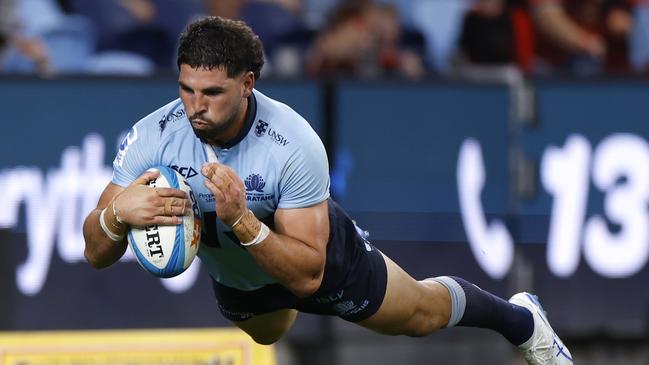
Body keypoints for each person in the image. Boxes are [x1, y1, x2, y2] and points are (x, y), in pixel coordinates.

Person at [82, 16, 573, 365]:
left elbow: (308, 277)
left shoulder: (291, 143)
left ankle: (521, 320)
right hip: (242, 282)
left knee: (419, 314)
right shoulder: (153, 135)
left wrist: (242, 219)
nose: (195, 107)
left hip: (315, 258)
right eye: (187, 89)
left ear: (248, 83)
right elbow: (94, 251)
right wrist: (116, 216)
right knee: (267, 333)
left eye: (212, 93)